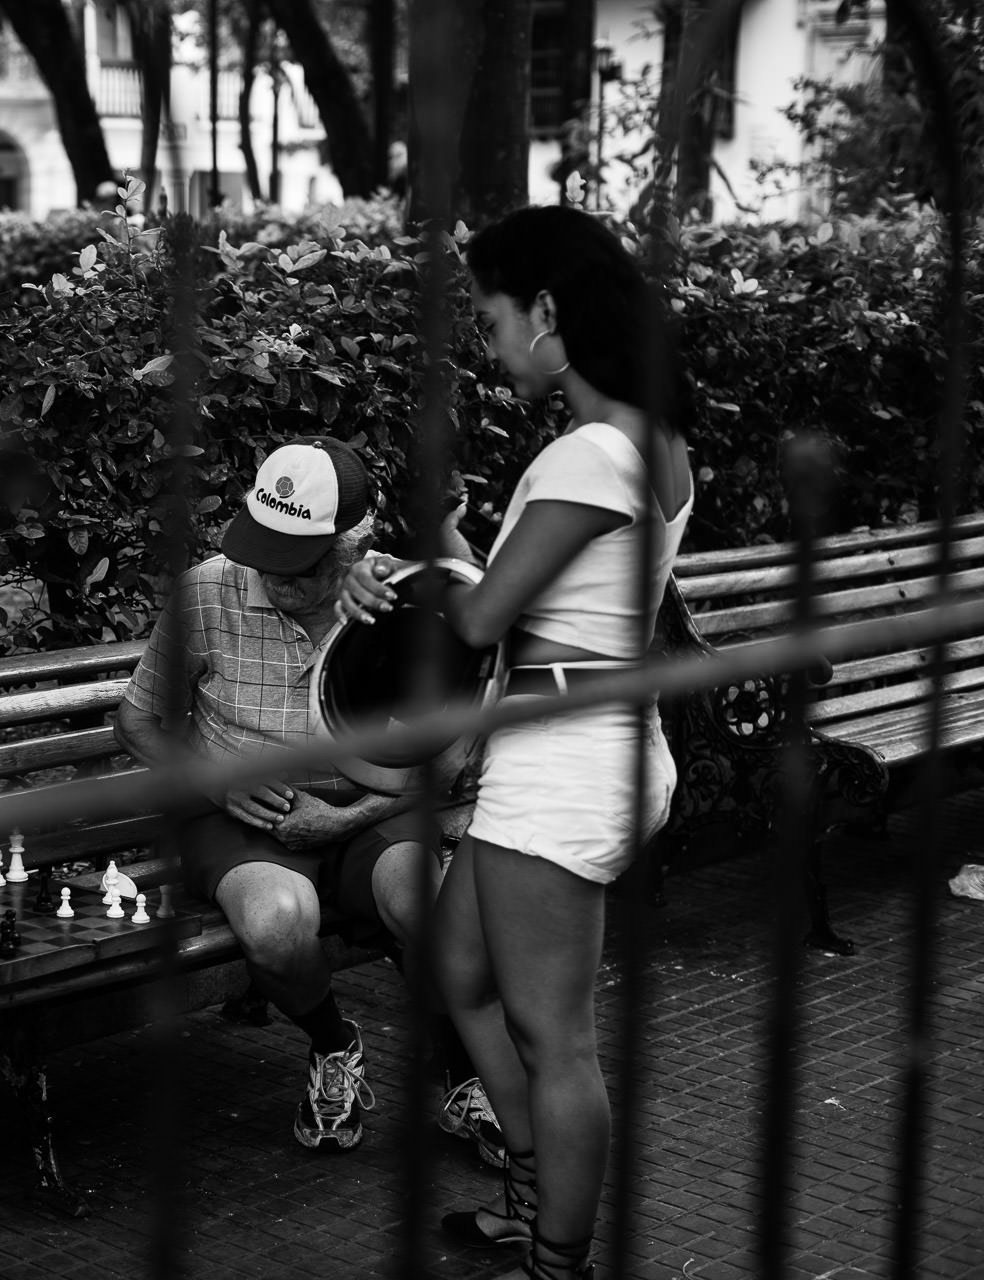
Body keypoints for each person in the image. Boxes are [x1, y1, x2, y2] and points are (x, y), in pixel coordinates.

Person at [342, 205, 694, 1280]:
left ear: (548, 312)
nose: (490, 345)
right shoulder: (645, 439)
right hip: (569, 737)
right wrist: (423, 557)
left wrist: (385, 585)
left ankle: (559, 1259)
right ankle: (538, 1199)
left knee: (556, 1034)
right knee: (458, 966)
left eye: (494, 317)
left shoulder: (596, 447)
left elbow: (484, 620)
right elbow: (535, 598)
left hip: (567, 756)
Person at [113, 436, 502, 1167]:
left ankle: (463, 1071)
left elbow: (450, 769)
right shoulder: (206, 590)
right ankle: (334, 1046)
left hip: (370, 810)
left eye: (301, 560)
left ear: (354, 542)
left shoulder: (406, 599)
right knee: (277, 923)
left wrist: (347, 818)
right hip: (238, 817)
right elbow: (136, 723)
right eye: (266, 551)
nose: (276, 576)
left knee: (428, 903)